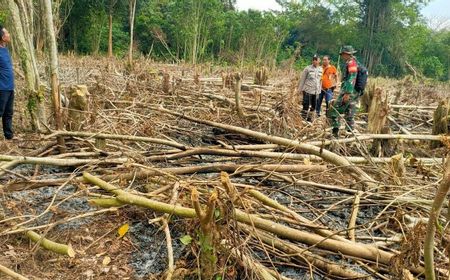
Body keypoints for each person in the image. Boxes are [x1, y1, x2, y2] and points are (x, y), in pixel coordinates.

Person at [327, 46, 360, 138]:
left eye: (343, 54)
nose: (342, 56)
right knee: (350, 114)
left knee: (334, 111)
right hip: (353, 93)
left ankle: (335, 133)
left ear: (346, 54)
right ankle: (349, 135)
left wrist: (347, 93)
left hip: (349, 92)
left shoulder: (351, 63)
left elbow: (351, 78)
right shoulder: (354, 62)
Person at [0, 25, 14, 140]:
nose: (9, 35)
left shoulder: (5, 49)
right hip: (1, 88)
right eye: (7, 33)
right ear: (2, 37)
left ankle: (8, 136)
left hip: (9, 87)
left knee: (8, 113)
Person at [298, 55, 322, 122]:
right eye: (314, 60)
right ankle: (303, 119)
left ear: (319, 61)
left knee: (314, 106)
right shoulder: (307, 68)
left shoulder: (321, 69)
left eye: (317, 60)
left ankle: (309, 119)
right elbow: (302, 79)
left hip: (316, 91)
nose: (315, 61)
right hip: (307, 90)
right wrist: (299, 90)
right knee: (306, 105)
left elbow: (320, 80)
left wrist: (319, 90)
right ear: (312, 61)